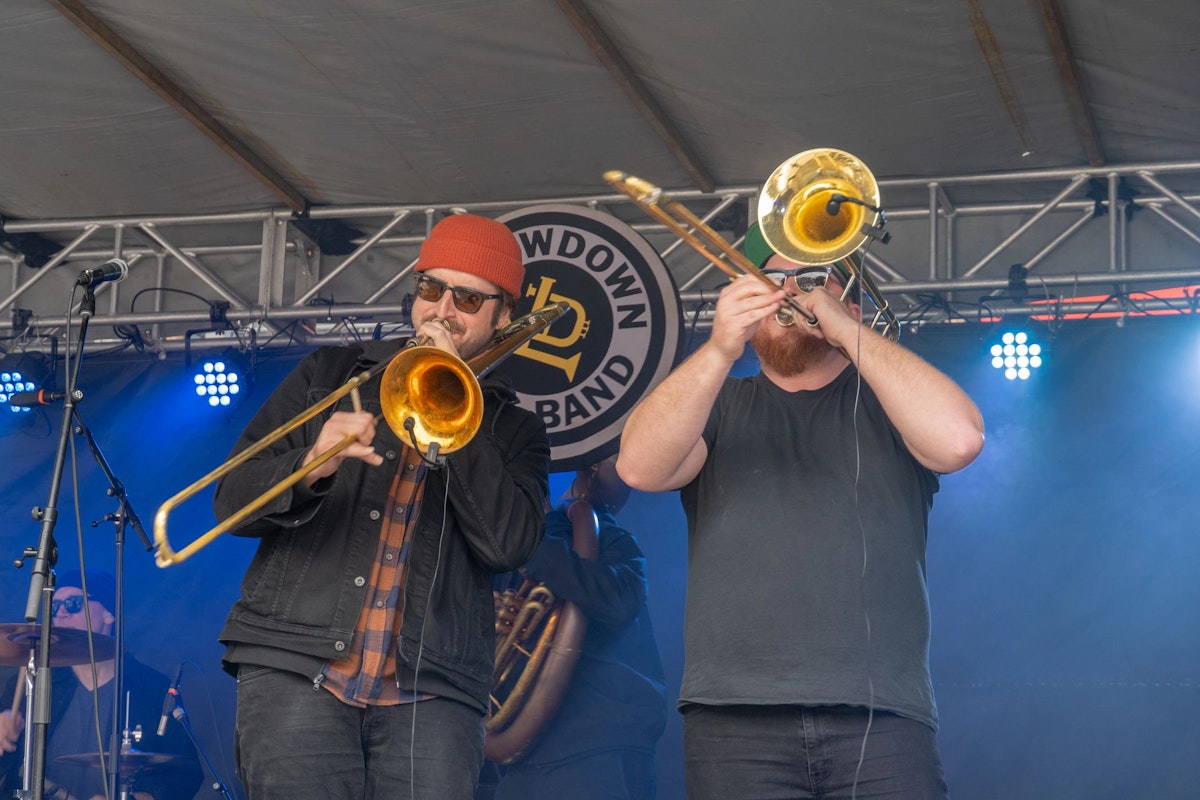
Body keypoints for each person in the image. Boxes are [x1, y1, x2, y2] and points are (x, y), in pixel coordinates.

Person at [615, 223, 986, 799]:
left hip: (881, 715)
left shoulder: (888, 404)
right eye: (771, 281)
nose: (788, 294)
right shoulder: (721, 403)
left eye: (811, 280)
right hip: (733, 719)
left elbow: (959, 441)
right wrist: (719, 349)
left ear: (852, 301)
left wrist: (841, 327)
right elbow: (639, 468)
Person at [214, 213, 551, 800]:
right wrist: (309, 466)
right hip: (298, 667)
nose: (441, 310)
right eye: (430, 288)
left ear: (503, 317)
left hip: (433, 693)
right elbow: (230, 503)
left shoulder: (515, 428)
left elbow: (509, 546)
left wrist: (459, 428)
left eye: (468, 298)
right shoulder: (331, 374)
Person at [485, 455, 667, 800]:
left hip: (598, 754)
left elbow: (617, 600)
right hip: (522, 764)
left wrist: (525, 543)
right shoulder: (502, 553)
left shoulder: (606, 534)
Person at [0, 570, 203, 800]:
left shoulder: (153, 689)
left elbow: (186, 774)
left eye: (73, 603)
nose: (61, 614)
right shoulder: (33, 681)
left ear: (109, 614)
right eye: (54, 607)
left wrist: (137, 798)